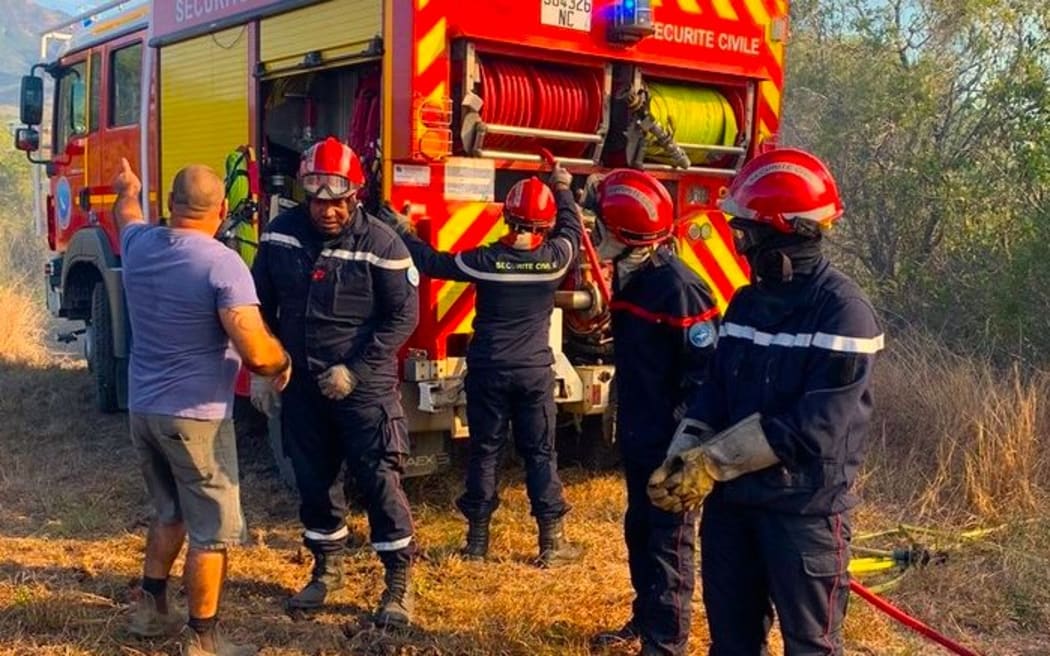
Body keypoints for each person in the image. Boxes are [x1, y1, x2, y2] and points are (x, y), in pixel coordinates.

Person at [646, 148, 885, 656]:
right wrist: (680, 453)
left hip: (804, 515)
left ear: (780, 235)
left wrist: (710, 463)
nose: (738, 243)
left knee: (810, 647)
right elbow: (715, 392)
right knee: (731, 645)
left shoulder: (845, 314)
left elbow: (812, 428)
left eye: (745, 232)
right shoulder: (746, 303)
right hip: (735, 510)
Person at [114, 158, 291, 656]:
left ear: (169, 205)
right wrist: (282, 359)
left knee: (168, 511)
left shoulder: (140, 244)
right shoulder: (221, 263)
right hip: (197, 419)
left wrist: (128, 185)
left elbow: (125, 212)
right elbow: (255, 350)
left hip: (144, 411)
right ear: (224, 209)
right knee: (211, 535)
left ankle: (150, 611)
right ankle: (203, 640)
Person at [250, 137, 420, 626]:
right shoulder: (281, 236)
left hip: (363, 393)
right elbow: (257, 306)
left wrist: (356, 370)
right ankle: (327, 571)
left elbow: (402, 318)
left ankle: (398, 583)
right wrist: (265, 369)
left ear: (356, 196)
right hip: (301, 388)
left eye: (337, 201)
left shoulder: (382, 244)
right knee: (314, 481)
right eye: (317, 200)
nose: (327, 210)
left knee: (380, 483)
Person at [381, 166, 583, 567]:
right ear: (544, 224)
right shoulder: (556, 260)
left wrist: (402, 230)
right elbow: (572, 229)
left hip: (489, 370)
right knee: (540, 454)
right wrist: (562, 187)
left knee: (485, 452)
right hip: (533, 373)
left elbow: (432, 263)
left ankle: (476, 545)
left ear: (506, 216)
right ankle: (551, 543)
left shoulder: (486, 260)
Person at [581, 169, 719, 656]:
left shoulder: (680, 289)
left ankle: (666, 644)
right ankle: (645, 621)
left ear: (623, 237)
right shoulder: (633, 275)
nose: (594, 234)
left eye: (600, 227)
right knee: (639, 531)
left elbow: (706, 376)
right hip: (641, 436)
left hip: (671, 443)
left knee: (668, 546)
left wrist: (685, 450)